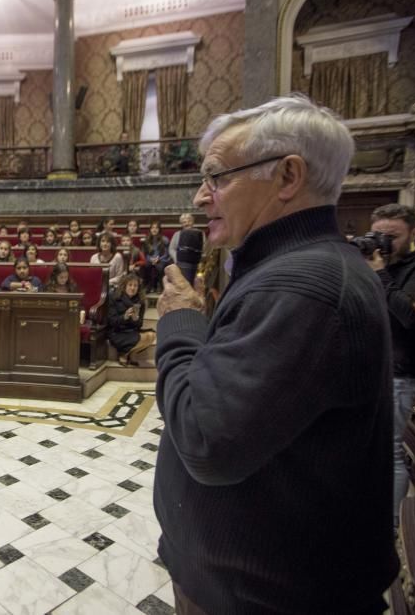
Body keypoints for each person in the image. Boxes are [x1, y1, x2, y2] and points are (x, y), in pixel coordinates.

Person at [154, 95, 397, 613]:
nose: (201, 197)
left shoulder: (303, 287)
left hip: (263, 599)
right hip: (241, 586)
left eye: (217, 177)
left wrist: (178, 320)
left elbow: (205, 439)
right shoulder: (299, 269)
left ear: (288, 177)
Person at [368, 204, 415, 525]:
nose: (384, 242)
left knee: (392, 452)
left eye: (392, 236)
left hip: (402, 372)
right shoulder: (378, 267)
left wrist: (380, 274)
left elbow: (410, 320)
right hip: (374, 370)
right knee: (373, 451)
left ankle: (391, 525)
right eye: (378, 235)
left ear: (413, 234)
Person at [107, 273, 152, 366]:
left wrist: (135, 319)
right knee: (143, 337)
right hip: (117, 332)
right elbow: (112, 321)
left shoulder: (140, 301)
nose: (133, 288)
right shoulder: (115, 297)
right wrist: (125, 317)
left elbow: (140, 324)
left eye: (135, 285)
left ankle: (132, 353)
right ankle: (124, 354)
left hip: (132, 331)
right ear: (124, 286)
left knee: (151, 336)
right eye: (130, 285)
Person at [141, 220, 171, 292]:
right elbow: (144, 253)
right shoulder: (146, 240)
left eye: (156, 228)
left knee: (160, 266)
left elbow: (166, 254)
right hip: (150, 259)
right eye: (152, 228)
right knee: (146, 265)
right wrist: (150, 259)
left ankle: (160, 285)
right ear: (150, 229)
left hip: (161, 259)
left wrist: (159, 259)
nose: (154, 229)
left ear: (159, 229)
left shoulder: (164, 240)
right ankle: (149, 285)